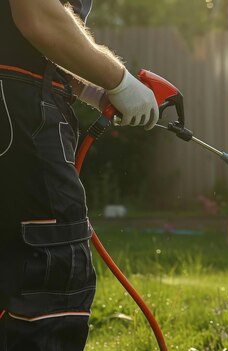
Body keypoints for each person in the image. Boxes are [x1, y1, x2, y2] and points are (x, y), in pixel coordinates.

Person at [0, 0, 159, 349]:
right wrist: (119, 80)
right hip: (18, 111)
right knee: (50, 272)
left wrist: (92, 88)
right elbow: (37, 16)